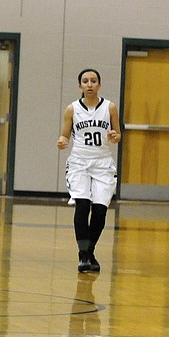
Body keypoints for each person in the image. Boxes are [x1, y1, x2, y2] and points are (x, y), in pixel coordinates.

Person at [57, 68, 121, 273]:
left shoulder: (110, 107)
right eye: (85, 81)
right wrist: (62, 140)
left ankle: (90, 250)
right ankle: (83, 255)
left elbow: (117, 135)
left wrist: (114, 136)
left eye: (93, 81)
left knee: (100, 211)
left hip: (102, 163)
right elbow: (65, 134)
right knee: (83, 206)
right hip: (79, 163)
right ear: (80, 86)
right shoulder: (72, 109)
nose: (89, 84)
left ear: (99, 84)